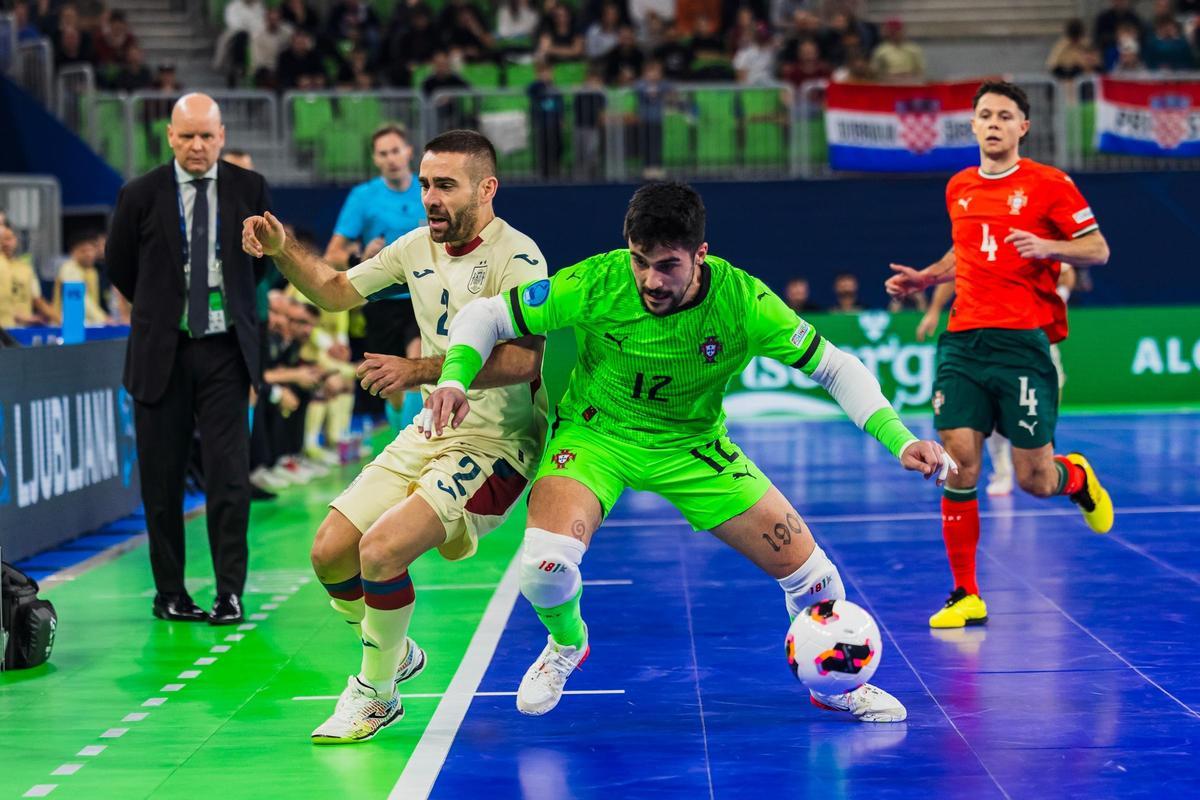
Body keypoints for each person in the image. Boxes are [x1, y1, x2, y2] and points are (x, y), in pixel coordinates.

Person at [424, 181, 956, 724]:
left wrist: (902, 437)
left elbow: (834, 366)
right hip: (595, 436)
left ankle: (833, 685)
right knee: (543, 565)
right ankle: (568, 644)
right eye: (640, 261)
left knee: (818, 581)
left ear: (700, 255)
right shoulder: (596, 281)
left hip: (693, 447)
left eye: (668, 266)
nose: (651, 280)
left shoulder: (743, 301)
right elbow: (487, 316)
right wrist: (455, 378)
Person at [241, 130, 550, 744]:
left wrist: (418, 369)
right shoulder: (413, 247)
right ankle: (395, 648)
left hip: (500, 442)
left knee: (381, 551)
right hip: (432, 427)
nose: (430, 198)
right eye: (425, 186)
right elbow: (332, 291)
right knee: (330, 549)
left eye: (446, 186)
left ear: (486, 189)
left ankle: (376, 693)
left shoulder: (520, 257)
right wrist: (282, 250)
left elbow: (524, 361)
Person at [884, 81, 1114, 630]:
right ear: (973, 125)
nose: (992, 123)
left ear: (1022, 127)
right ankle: (965, 594)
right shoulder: (959, 186)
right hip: (963, 342)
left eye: (1004, 116)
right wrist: (929, 275)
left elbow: (1098, 249)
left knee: (1035, 480)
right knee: (959, 462)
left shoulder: (1050, 184)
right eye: (984, 115)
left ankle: (1076, 479)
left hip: (1022, 344)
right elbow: (965, 249)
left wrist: (1051, 247)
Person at [106, 93, 274, 625]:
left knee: (229, 477)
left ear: (221, 136)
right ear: (170, 138)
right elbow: (120, 268)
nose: (197, 146)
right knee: (161, 480)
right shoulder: (139, 194)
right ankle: (170, 592)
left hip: (226, 350)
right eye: (187, 136)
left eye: (207, 135)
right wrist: (164, 309)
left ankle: (229, 592)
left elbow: (264, 267)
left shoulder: (250, 188)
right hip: (163, 352)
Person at [915, 265, 1077, 498]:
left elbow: (1070, 270)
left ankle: (1053, 465)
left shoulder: (1034, 242)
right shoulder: (976, 244)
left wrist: (1061, 295)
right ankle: (1002, 472)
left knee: (1038, 475)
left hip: (1032, 342)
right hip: (983, 343)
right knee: (987, 420)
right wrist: (933, 310)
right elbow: (955, 269)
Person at [324, 124, 426, 432]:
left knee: (417, 365)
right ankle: (400, 430)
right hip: (381, 300)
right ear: (375, 159)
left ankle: (416, 449)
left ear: (408, 151)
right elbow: (333, 254)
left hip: (424, 297)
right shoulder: (363, 197)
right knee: (392, 387)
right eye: (384, 153)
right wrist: (361, 259)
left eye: (396, 150)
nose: (392, 158)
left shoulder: (427, 189)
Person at [2, 224, 56, 326]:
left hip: (23, 328)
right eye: (1, 239)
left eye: (8, 238)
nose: (5, 243)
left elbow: (37, 299)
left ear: (16, 240)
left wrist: (59, 319)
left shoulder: (25, 268)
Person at [54, 232, 112, 325]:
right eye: (83, 250)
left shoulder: (93, 271)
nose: (89, 254)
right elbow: (81, 297)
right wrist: (102, 318)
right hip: (70, 324)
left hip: (91, 323)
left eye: (91, 250)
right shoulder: (69, 268)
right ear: (73, 252)